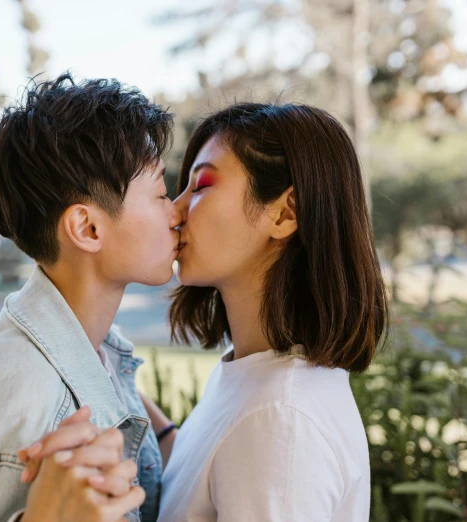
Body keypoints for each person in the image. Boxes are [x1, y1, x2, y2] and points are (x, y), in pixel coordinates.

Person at [23, 102, 388, 522]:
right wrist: (115, 400)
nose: (173, 211)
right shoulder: (253, 376)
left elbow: (260, 458)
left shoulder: (280, 422)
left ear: (286, 213)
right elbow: (212, 475)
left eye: (201, 186)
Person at [0, 73, 180, 522]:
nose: (176, 213)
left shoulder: (91, 348)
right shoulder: (22, 398)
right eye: (161, 195)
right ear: (87, 228)